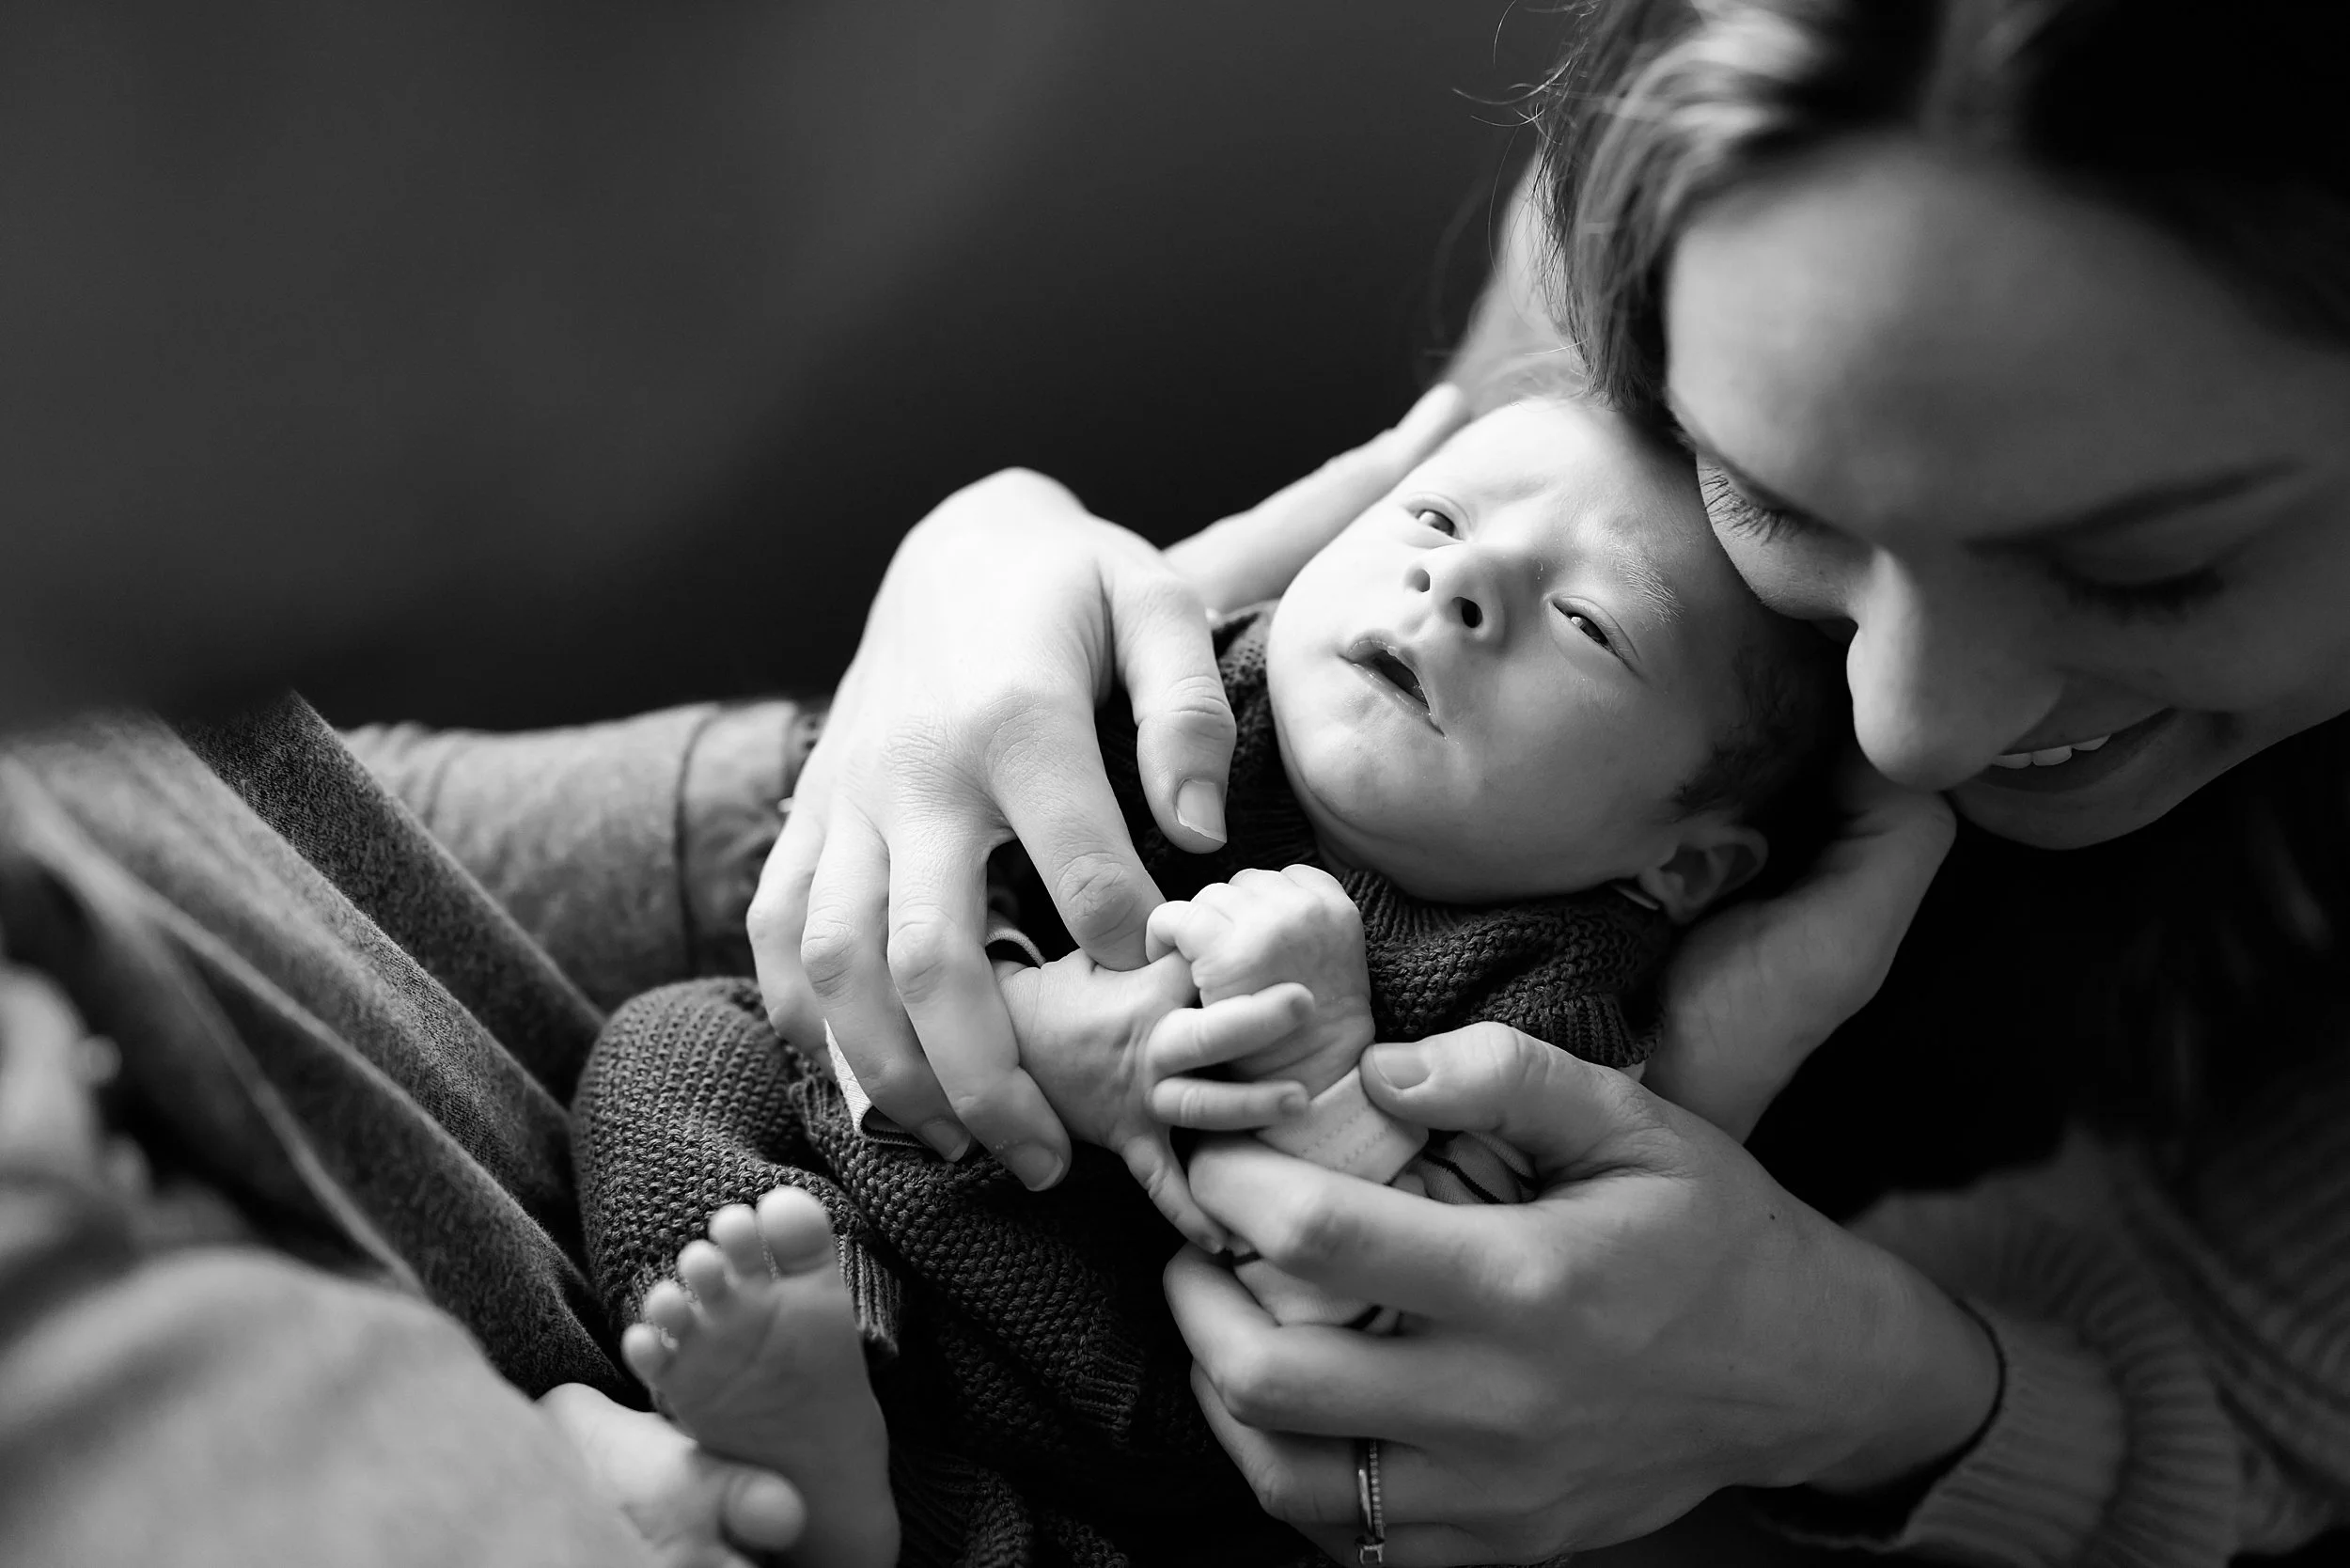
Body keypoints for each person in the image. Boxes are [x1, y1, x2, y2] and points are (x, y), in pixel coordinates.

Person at [744, 1, 2350, 1562]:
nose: (1910, 729)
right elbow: (1303, 700)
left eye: (2151, 569)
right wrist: (973, 595)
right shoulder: (1726, 184)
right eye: (1776, 497)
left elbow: (2259, 1414)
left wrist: (1863, 1391)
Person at [563, 389, 1842, 1565]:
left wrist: (1324, 1079)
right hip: (853, 1189)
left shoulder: (1551, 1000)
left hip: (1129, 1412)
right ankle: (805, 1389)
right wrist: (1035, 1027)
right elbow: (884, 932)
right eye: (1437, 517)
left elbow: (1447, 1316)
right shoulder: (1184, 704)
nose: (1460, 579)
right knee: (673, 1051)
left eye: (1588, 623)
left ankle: (844, 1506)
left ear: (1683, 867)